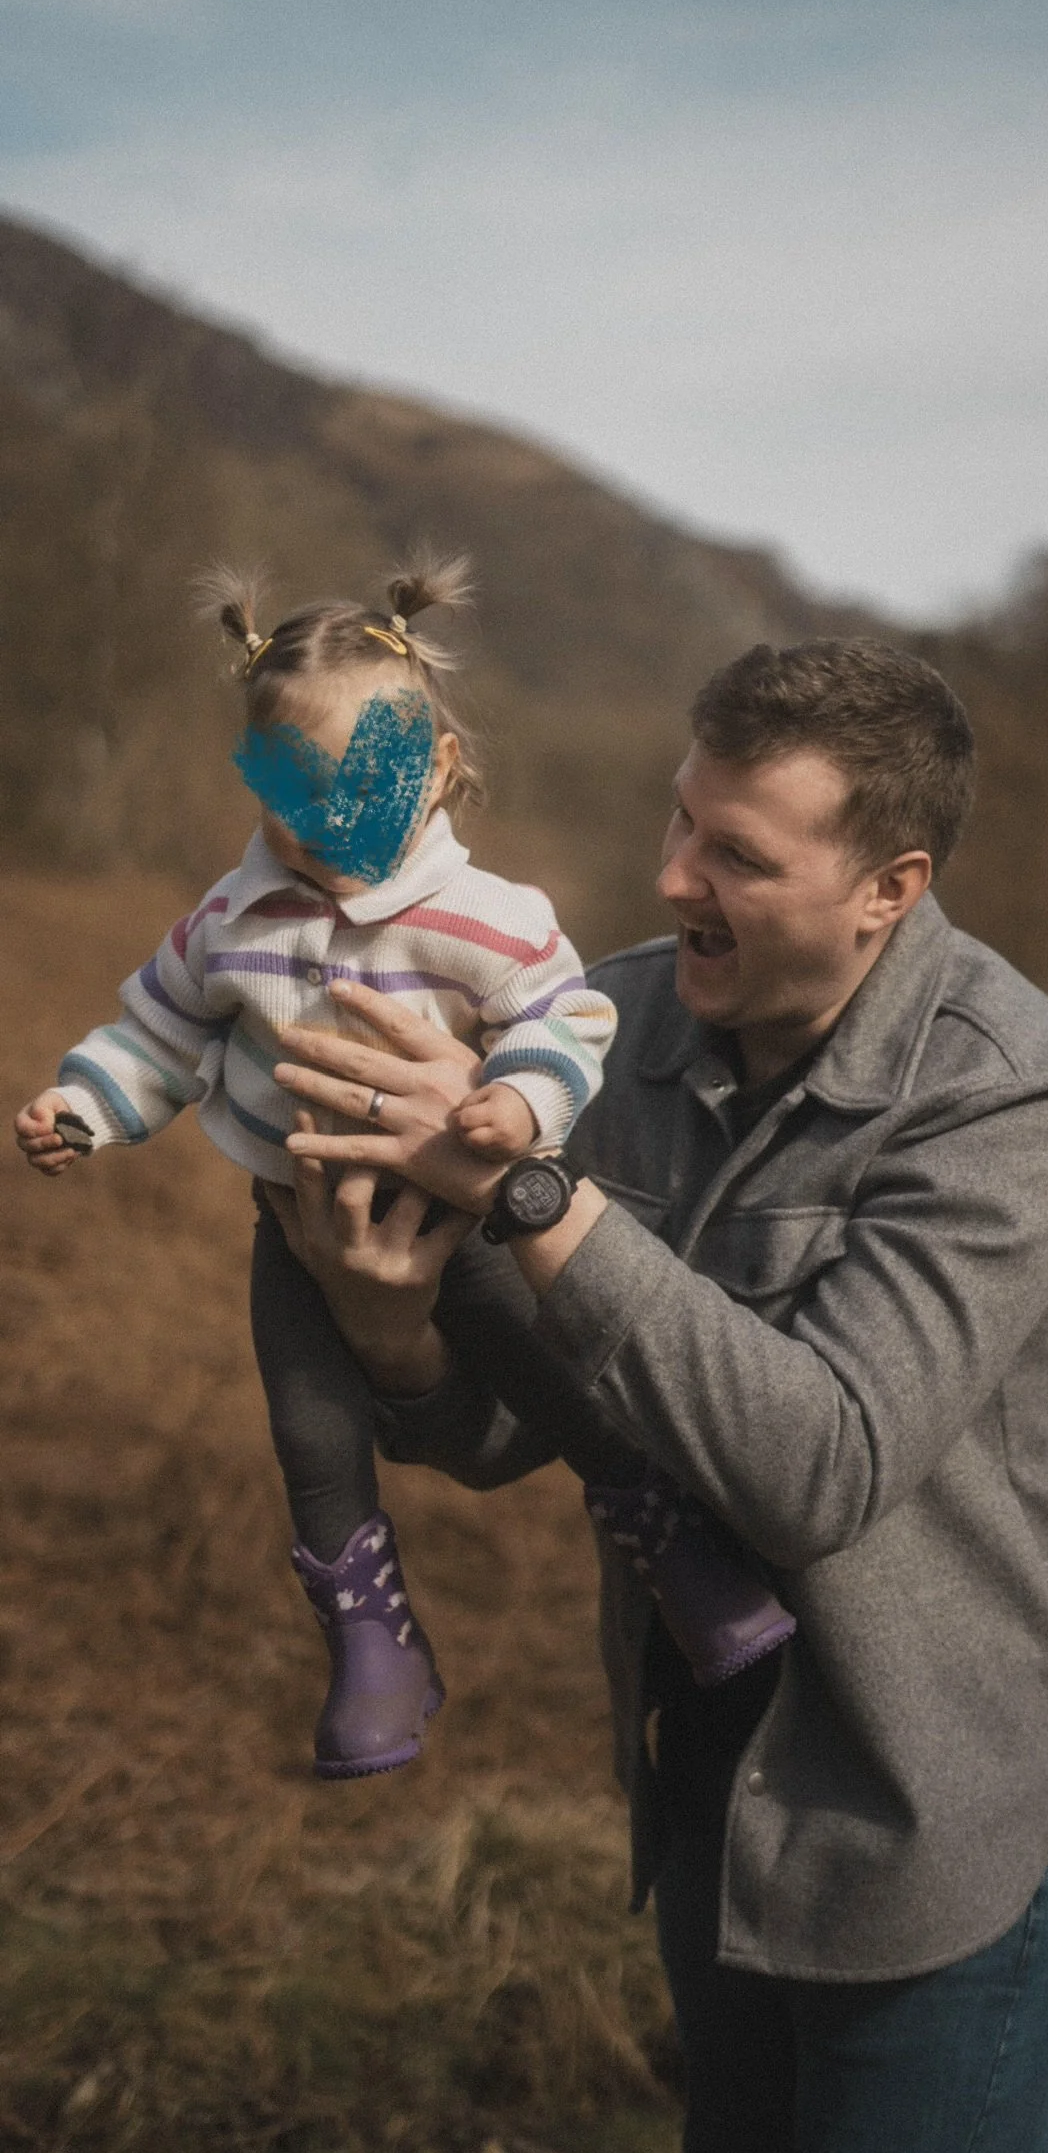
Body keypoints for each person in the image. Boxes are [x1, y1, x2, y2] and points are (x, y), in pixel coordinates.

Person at [265, 637, 1048, 2153]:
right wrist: (386, 1318)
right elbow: (519, 1427)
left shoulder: (1009, 1090)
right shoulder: (604, 1029)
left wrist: (528, 1192)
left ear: (891, 883)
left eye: (739, 853)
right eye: (681, 821)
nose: (674, 879)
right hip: (708, 1788)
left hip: (939, 1817)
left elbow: (818, 1462)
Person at [12, 562, 794, 1783]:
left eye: (355, 792)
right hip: (295, 1224)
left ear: (429, 771)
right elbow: (158, 1037)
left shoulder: (487, 913)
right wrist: (85, 1106)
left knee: (565, 1383)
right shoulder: (227, 922)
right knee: (312, 1435)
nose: (319, 828)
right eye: (288, 798)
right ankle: (373, 1647)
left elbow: (568, 1020)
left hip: (463, 1212)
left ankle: (675, 1544)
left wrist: (515, 1103)